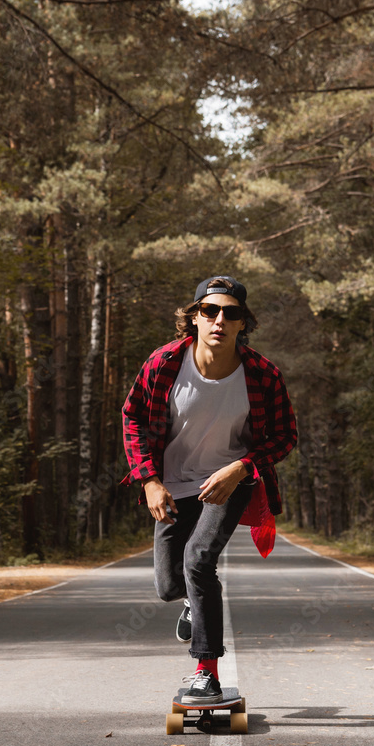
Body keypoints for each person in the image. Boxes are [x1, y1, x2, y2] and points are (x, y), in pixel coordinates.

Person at [121, 275, 297, 704]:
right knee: (168, 585)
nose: (220, 319)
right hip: (171, 482)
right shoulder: (164, 364)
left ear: (242, 323)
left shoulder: (262, 374)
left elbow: (284, 435)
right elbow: (133, 419)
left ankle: (206, 671)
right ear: (194, 318)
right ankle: (191, 605)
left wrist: (241, 468)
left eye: (231, 313)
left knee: (198, 560)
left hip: (228, 481)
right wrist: (148, 480)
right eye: (210, 310)